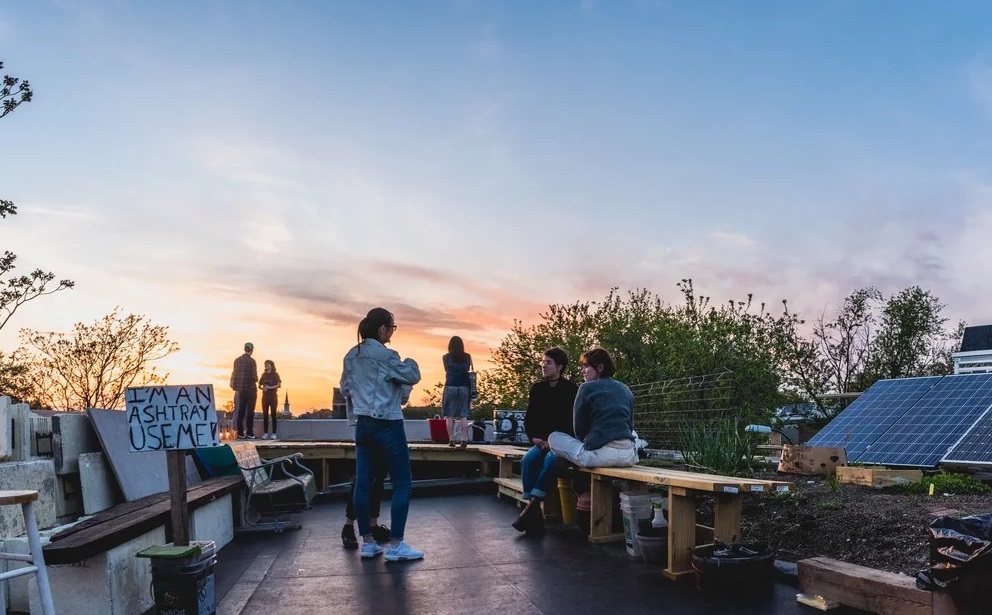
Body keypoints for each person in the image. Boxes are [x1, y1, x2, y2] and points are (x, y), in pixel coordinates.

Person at [340, 307, 424, 561]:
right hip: (388, 423)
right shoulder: (387, 355)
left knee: (363, 483)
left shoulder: (351, 355)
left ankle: (367, 542)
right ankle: (396, 545)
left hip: (363, 424)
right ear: (382, 329)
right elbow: (413, 375)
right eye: (391, 328)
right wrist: (410, 361)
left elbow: (345, 388)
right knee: (402, 483)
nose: (392, 333)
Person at [512, 347, 578, 536]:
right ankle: (533, 511)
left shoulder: (571, 390)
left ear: (560, 366)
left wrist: (553, 442)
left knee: (551, 461)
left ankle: (531, 508)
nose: (543, 365)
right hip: (540, 442)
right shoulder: (537, 389)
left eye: (548, 362)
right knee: (528, 460)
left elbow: (573, 422)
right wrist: (533, 437)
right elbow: (530, 418)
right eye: (543, 362)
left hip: (561, 444)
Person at [548, 347, 638, 469]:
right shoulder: (625, 389)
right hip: (628, 457)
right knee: (633, 433)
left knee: (554, 437)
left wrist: (589, 440)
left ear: (599, 368)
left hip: (597, 457)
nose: (582, 371)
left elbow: (579, 429)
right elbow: (630, 426)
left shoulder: (586, 387)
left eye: (586, 366)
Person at [441, 336, 473, 449]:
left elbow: (446, 370)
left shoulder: (446, 357)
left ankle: (451, 440)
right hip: (464, 386)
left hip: (450, 385)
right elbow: (468, 369)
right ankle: (464, 439)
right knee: (463, 415)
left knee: (449, 415)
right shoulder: (467, 357)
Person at [230, 342, 258, 439]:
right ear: (251, 350)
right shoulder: (252, 361)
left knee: (240, 411)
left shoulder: (237, 360)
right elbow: (254, 377)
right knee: (250, 412)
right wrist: (256, 378)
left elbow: (234, 374)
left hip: (241, 389)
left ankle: (240, 433)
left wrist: (236, 386)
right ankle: (249, 433)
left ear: (244, 349)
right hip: (250, 389)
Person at [257, 360, 282, 440]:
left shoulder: (275, 375)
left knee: (273, 414)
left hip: (273, 396)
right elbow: (259, 385)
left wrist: (270, 388)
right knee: (265, 415)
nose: (266, 366)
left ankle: (274, 433)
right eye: (265, 365)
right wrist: (262, 388)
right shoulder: (264, 375)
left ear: (271, 365)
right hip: (265, 397)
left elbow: (279, 385)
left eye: (268, 364)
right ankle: (265, 433)